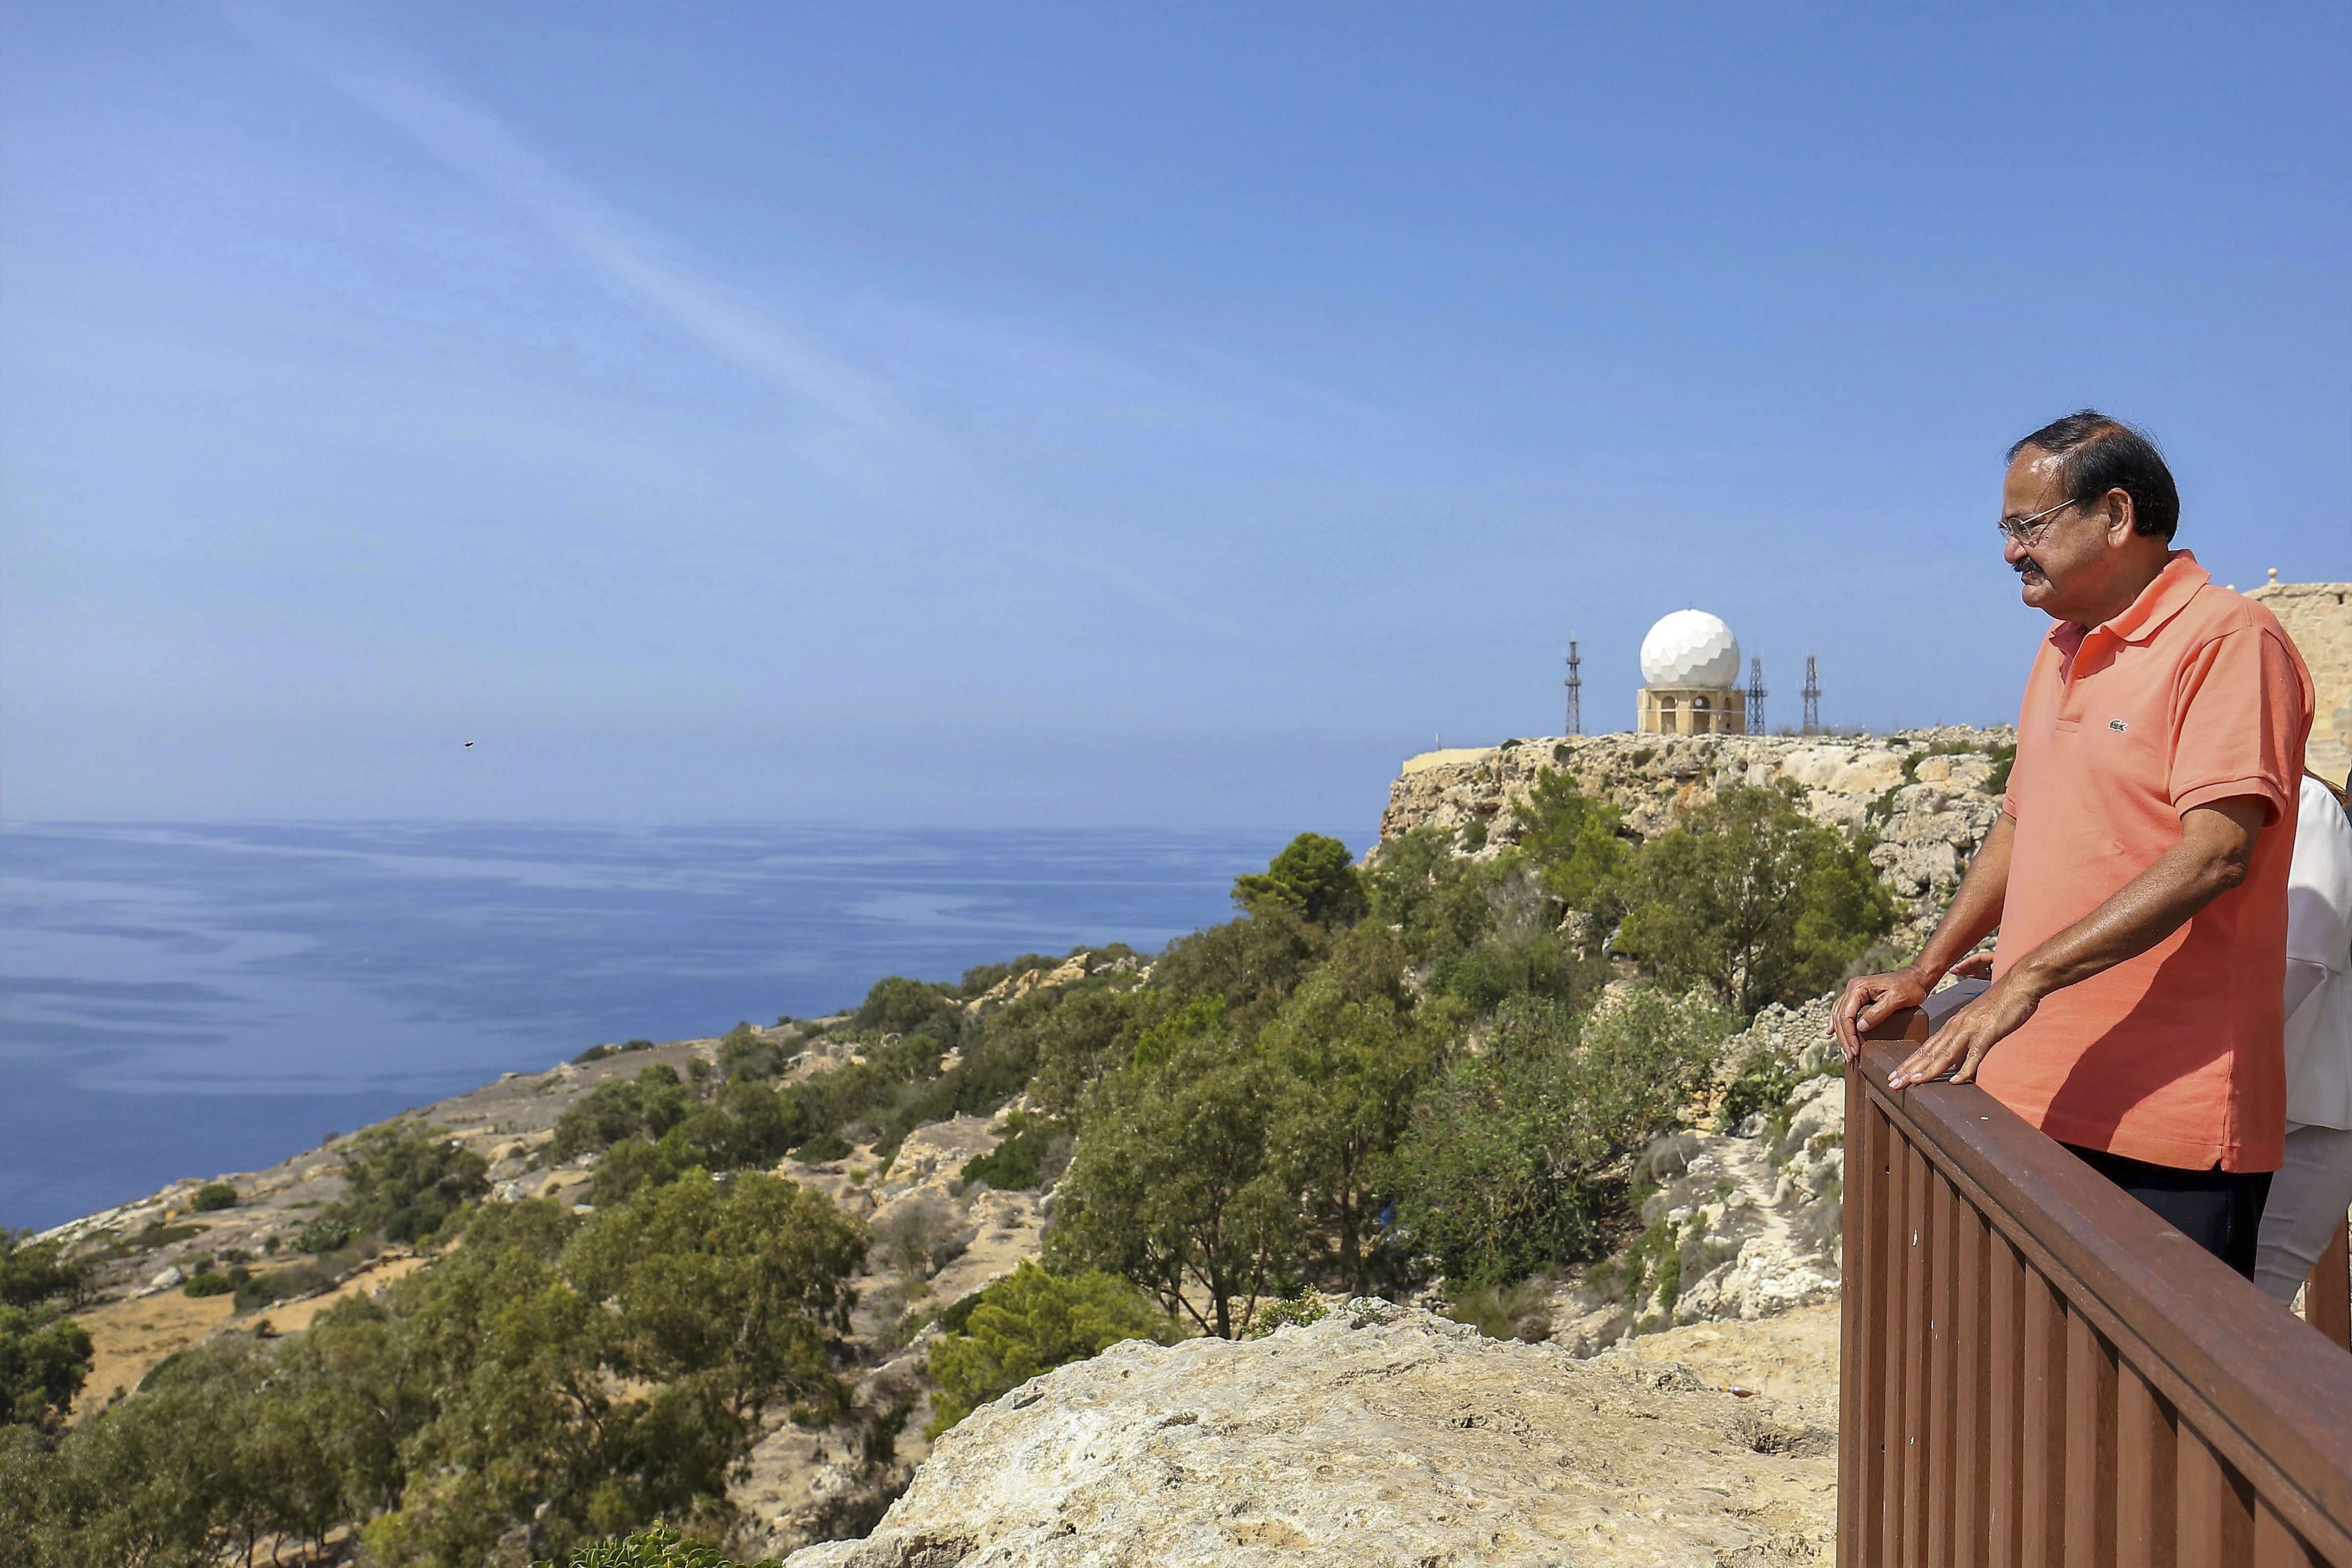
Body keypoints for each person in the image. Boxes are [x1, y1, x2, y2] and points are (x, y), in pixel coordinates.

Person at [1834, 410, 2313, 1278]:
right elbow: (2023, 823)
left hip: (2168, 1131)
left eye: (2029, 526)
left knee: (2160, 1407)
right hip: (2031, 1101)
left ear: (2117, 515)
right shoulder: (2060, 647)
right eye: (2005, 529)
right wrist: (1927, 970)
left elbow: (2215, 853)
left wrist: (2028, 980)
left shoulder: (2230, 641)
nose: (2011, 552)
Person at [2251, 770, 2352, 1303]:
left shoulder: (2308, 806)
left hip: (2310, 1110)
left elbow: (2305, 966)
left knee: (2245, 1307)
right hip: (2283, 1102)